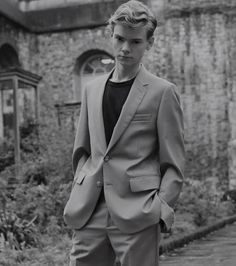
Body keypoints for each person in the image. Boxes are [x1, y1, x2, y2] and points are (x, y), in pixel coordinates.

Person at [64, 1, 185, 265]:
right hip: (91, 210)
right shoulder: (91, 89)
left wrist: (161, 208)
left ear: (149, 44)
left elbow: (174, 163)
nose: (126, 48)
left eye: (135, 42)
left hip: (138, 211)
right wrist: (81, 191)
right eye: (119, 38)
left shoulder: (162, 92)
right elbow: (82, 151)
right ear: (111, 35)